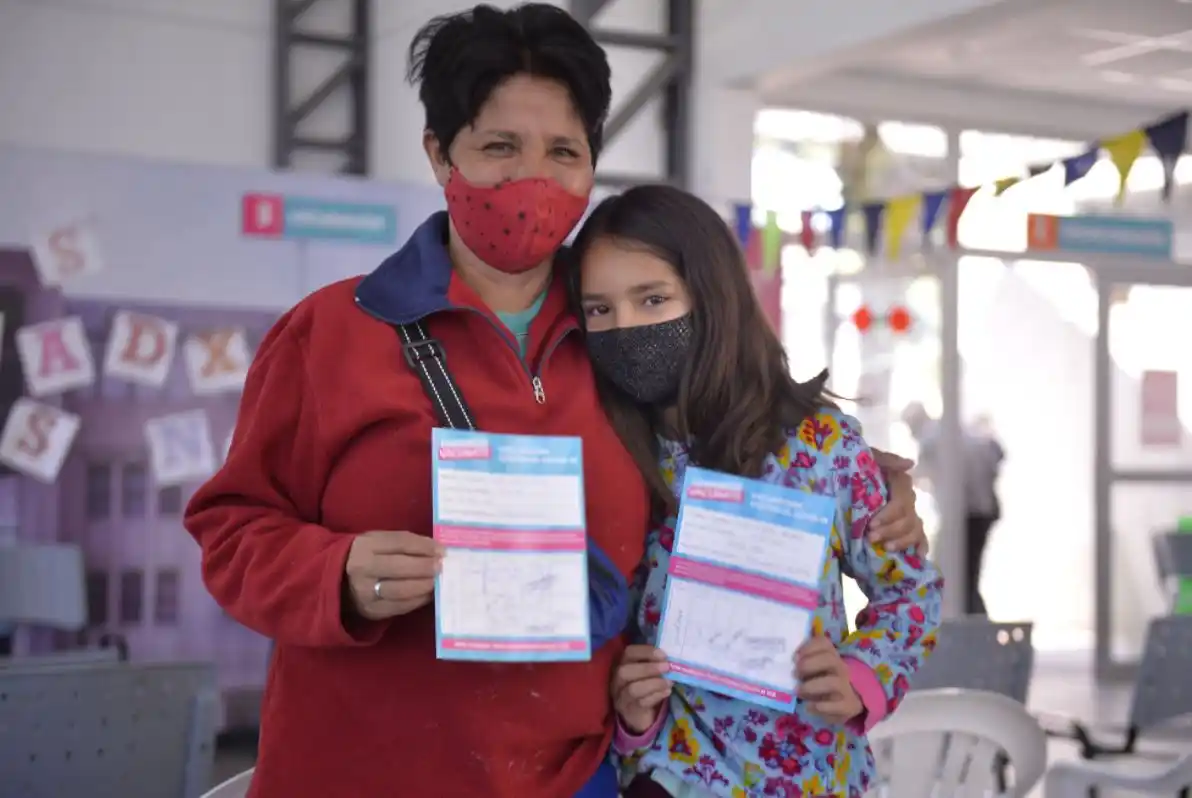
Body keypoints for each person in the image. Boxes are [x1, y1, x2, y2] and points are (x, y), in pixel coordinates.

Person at [183, 5, 929, 797]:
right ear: (440, 153)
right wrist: (334, 573)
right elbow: (231, 532)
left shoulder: (624, 342)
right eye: (499, 146)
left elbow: (745, 446)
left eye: (563, 151)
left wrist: (871, 485)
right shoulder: (334, 332)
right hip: (363, 775)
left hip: (578, 775)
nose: (531, 179)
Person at [566, 185, 944, 798]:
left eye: (653, 298)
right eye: (599, 310)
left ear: (712, 299)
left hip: (809, 778)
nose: (625, 326)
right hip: (666, 780)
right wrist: (635, 721)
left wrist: (861, 678)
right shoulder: (613, 457)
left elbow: (911, 591)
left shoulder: (819, 445)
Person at [903, 402, 1003, 615]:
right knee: (966, 575)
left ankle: (971, 622)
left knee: (956, 574)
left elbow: (919, 474)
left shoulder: (931, 438)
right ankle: (974, 620)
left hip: (967, 512)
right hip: (981, 509)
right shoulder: (947, 431)